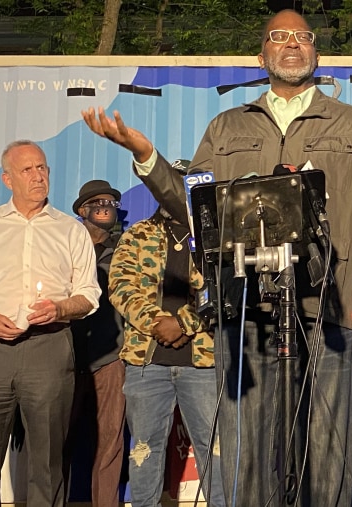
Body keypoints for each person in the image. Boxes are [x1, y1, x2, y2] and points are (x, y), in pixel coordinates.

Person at [81, 9, 352, 506]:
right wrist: (148, 158)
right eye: (279, 36)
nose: (292, 43)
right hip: (246, 318)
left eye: (303, 37)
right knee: (247, 461)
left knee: (328, 462)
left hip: (325, 319)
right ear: (262, 55)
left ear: (316, 52)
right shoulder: (228, 126)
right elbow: (196, 210)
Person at [0, 140, 101, 506]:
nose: (38, 176)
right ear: (8, 179)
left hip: (49, 348)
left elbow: (89, 295)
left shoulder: (71, 231)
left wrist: (59, 309)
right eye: (28, 170)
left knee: (47, 460)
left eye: (42, 168)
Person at [108, 201, 225, 507]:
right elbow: (120, 285)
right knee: (145, 450)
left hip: (203, 363)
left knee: (213, 448)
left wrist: (183, 323)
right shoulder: (137, 234)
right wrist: (157, 324)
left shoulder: (214, 236)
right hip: (146, 363)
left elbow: (223, 287)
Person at [66, 180, 126, 507]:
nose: (105, 206)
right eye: (96, 201)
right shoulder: (63, 245)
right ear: (82, 210)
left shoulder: (126, 248)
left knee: (110, 441)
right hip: (66, 356)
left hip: (112, 356)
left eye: (111, 202)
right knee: (57, 437)